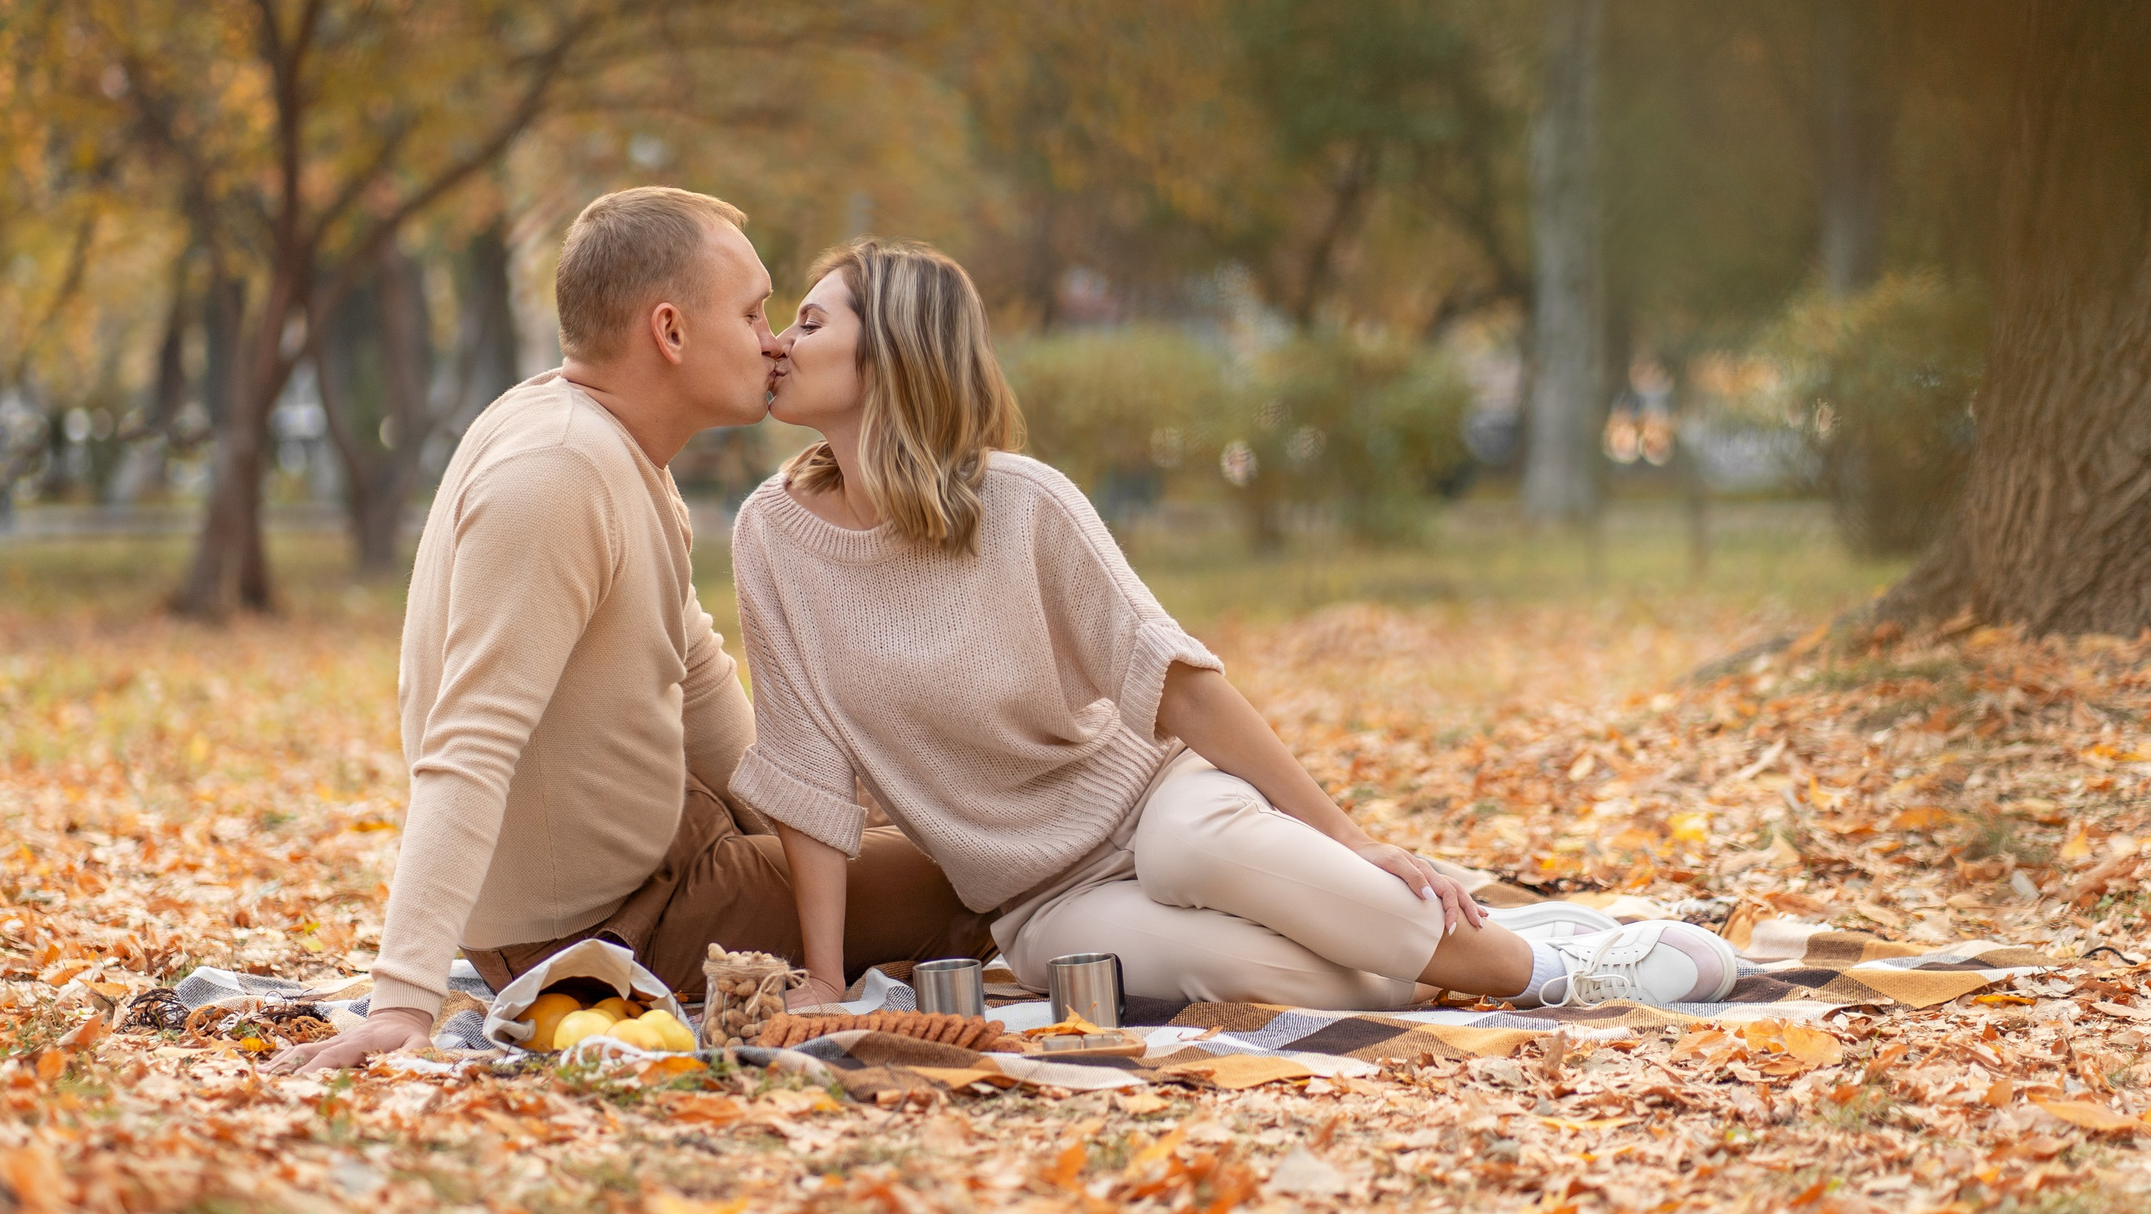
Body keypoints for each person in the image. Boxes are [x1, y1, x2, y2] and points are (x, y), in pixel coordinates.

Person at [728, 240, 1741, 1015]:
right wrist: (821, 977)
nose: (777, 341)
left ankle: (1548, 974)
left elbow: (1175, 682)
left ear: (892, 349)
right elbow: (807, 774)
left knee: (1195, 858)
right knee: (1271, 973)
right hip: (1039, 904)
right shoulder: (771, 536)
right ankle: (1520, 934)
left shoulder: (1021, 504)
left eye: (807, 323)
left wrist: (1350, 836)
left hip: (1156, 805)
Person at [274, 193, 987, 1074]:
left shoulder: (613, 448)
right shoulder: (558, 473)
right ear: (670, 331)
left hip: (673, 847)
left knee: (931, 822)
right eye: (752, 311)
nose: (773, 340)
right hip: (612, 928)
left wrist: (847, 825)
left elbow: (701, 690)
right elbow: (470, 740)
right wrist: (402, 1000)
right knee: (977, 870)